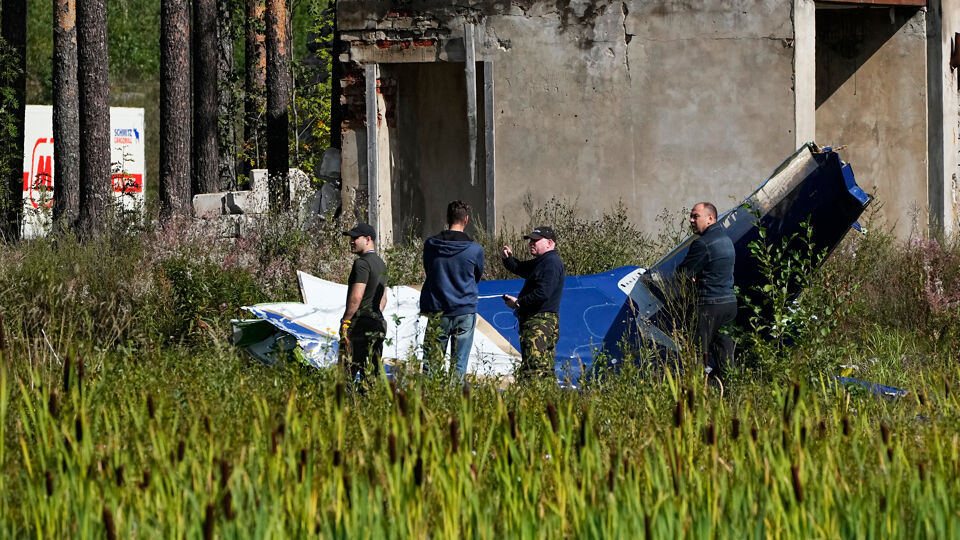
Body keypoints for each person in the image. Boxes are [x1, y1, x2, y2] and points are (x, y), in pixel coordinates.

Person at [420, 200, 485, 378]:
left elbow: (429, 270)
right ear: (466, 219)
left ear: (447, 218)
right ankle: (455, 402)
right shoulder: (474, 249)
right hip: (464, 309)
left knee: (431, 365)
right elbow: (476, 276)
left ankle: (429, 402)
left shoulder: (431, 245)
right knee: (459, 365)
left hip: (437, 309)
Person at [676, 202, 737, 377]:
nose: (691, 220)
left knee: (695, 356)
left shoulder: (703, 243)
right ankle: (730, 395)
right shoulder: (727, 240)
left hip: (709, 305)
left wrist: (692, 277)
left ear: (710, 218)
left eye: (696, 216)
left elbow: (682, 273)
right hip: (729, 304)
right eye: (691, 216)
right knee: (726, 357)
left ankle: (695, 394)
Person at [501, 226, 565, 381]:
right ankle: (547, 402)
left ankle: (534, 402)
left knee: (534, 371)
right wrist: (508, 259)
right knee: (543, 370)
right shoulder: (542, 262)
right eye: (530, 240)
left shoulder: (550, 263)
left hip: (540, 323)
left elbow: (543, 293)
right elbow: (520, 268)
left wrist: (519, 303)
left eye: (536, 240)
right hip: (539, 322)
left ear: (549, 243)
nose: (531, 243)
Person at [339, 223, 388, 385]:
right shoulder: (381, 264)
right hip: (377, 323)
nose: (351, 241)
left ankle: (345, 407)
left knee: (347, 371)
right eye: (350, 238)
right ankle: (371, 405)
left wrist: (345, 321)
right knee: (372, 374)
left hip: (360, 324)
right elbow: (383, 299)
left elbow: (356, 297)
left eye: (355, 238)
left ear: (368, 239)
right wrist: (374, 315)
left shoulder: (362, 264)